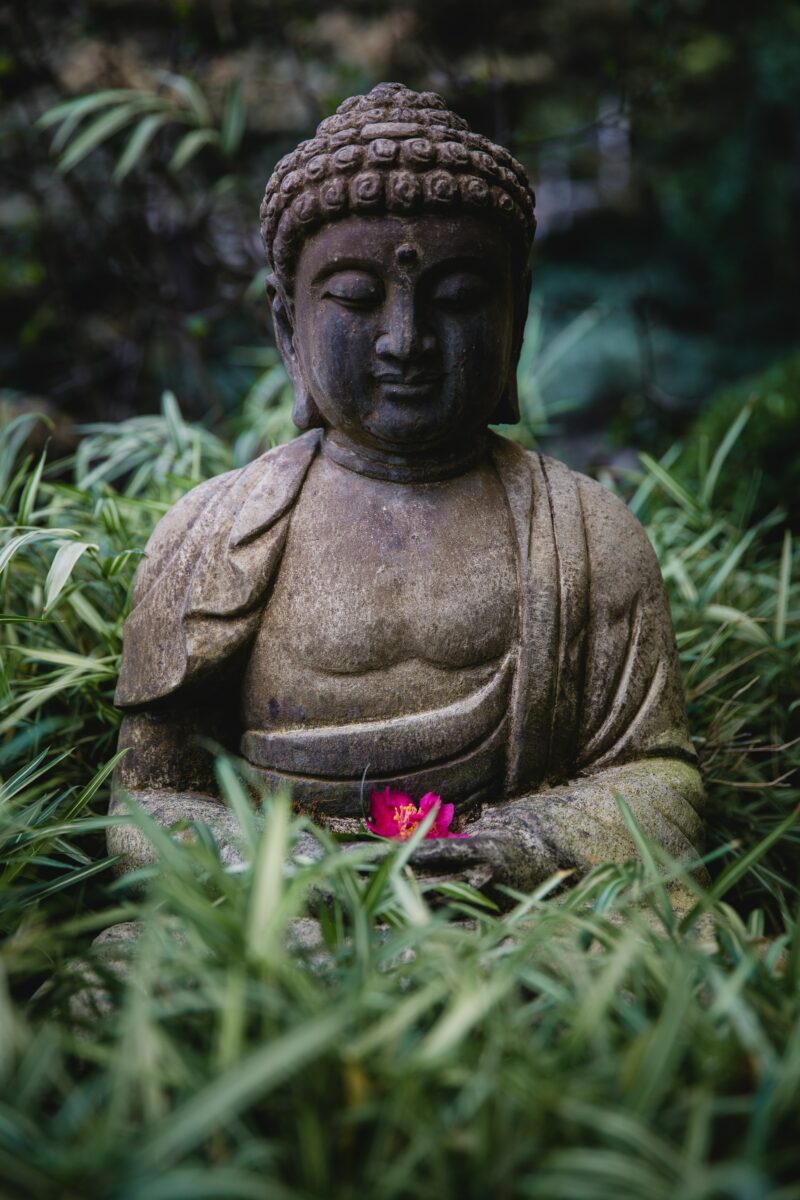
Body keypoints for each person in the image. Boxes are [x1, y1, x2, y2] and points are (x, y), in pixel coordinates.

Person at [110, 83, 705, 894]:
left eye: (458, 298)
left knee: (694, 956)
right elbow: (144, 802)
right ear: (289, 327)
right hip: (285, 912)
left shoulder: (589, 534)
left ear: (516, 317)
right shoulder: (212, 533)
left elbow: (661, 782)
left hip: (521, 904)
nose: (405, 340)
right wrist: (282, 864)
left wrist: (529, 843)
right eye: (354, 297)